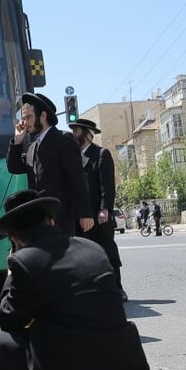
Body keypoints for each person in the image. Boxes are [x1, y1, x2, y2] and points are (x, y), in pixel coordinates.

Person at [0, 190, 152, 370]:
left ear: (15, 238)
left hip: (72, 367)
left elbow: (8, 319)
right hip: (121, 363)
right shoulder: (92, 248)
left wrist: (10, 275)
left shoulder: (26, 260)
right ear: (51, 221)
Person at [6, 92, 92, 235]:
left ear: (43, 116)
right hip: (39, 220)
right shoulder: (33, 147)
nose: (25, 123)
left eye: (29, 117)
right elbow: (14, 167)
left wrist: (85, 213)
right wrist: (18, 140)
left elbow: (77, 177)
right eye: (24, 118)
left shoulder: (63, 139)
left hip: (61, 217)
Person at [68, 118, 125, 296]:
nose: (73, 135)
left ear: (86, 134)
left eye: (76, 131)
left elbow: (107, 185)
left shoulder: (101, 154)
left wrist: (104, 209)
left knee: (107, 252)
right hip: (81, 216)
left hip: (98, 216)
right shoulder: (73, 157)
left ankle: (117, 288)